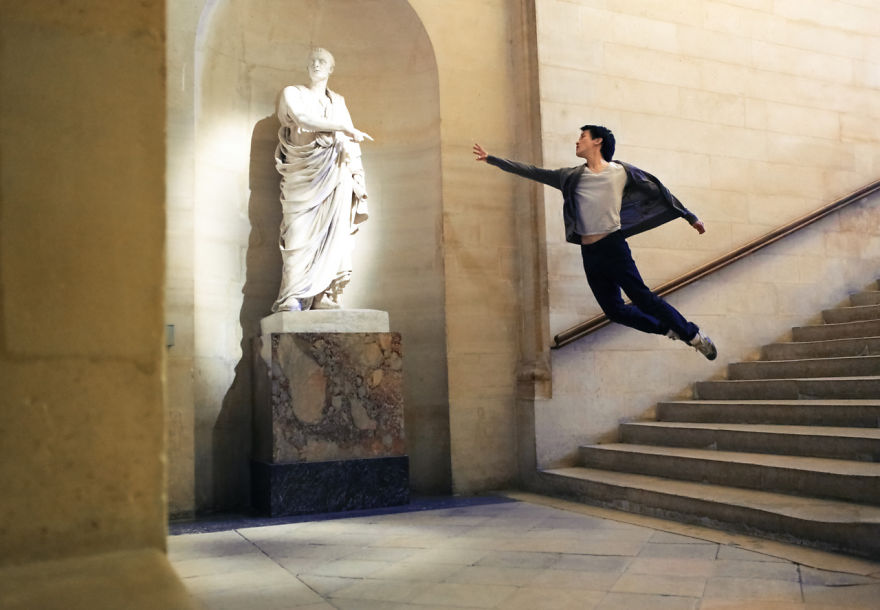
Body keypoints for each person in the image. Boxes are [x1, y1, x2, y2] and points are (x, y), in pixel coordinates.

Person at [473, 125, 717, 359]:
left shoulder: (621, 172)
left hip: (613, 246)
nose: (578, 141)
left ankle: (693, 335)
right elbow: (532, 171)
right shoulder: (570, 176)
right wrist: (492, 159)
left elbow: (658, 190)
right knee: (614, 311)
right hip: (590, 252)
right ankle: (668, 330)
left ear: (598, 141)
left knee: (643, 298)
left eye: (583, 136)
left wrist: (689, 216)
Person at [271, 47, 372, 312]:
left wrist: (358, 178)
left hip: (336, 173)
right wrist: (342, 127)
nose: (317, 64)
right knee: (298, 233)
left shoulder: (338, 102)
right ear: (307, 67)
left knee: (334, 233)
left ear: (331, 69)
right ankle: (293, 296)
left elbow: (351, 145)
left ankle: (322, 295)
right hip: (303, 175)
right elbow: (303, 119)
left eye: (323, 61)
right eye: (313, 61)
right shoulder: (292, 93)